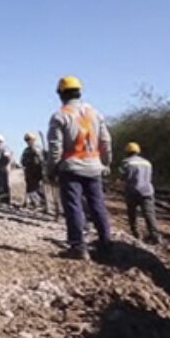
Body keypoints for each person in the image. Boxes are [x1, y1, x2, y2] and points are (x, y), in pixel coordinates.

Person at [46, 76, 113, 261]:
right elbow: (106, 141)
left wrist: (51, 169)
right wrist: (105, 163)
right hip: (94, 167)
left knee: (74, 207)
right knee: (97, 205)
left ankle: (78, 247)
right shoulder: (95, 113)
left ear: (60, 94)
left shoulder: (60, 115)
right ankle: (106, 243)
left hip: (71, 169)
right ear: (79, 92)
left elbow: (55, 148)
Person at [119, 142, 162, 243]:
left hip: (132, 191)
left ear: (127, 152)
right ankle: (155, 235)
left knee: (132, 214)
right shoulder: (147, 163)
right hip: (147, 191)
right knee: (149, 214)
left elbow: (124, 177)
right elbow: (149, 177)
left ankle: (136, 234)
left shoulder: (126, 162)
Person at [21, 133, 47, 211]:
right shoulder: (26, 150)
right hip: (29, 171)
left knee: (37, 188)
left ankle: (40, 204)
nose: (28, 141)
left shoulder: (38, 148)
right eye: (26, 140)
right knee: (30, 188)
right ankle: (32, 203)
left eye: (29, 139)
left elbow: (42, 159)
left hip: (37, 171)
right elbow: (22, 160)